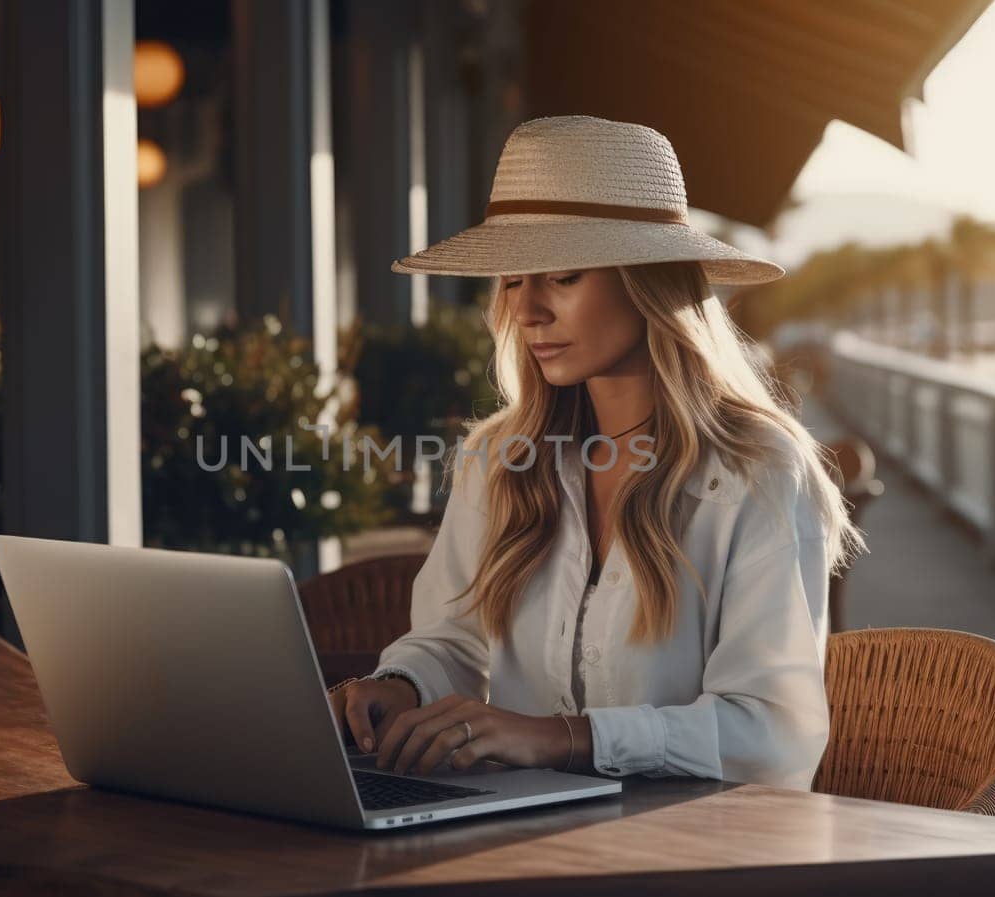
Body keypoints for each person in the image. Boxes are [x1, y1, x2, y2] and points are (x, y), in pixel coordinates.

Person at [327, 115, 865, 791]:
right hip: (516, 836)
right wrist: (401, 686)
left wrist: (561, 739)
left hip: (698, 852)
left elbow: (773, 734)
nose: (527, 312)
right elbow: (452, 640)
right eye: (513, 282)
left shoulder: (755, 471)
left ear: (650, 283)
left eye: (562, 276)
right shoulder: (498, 460)